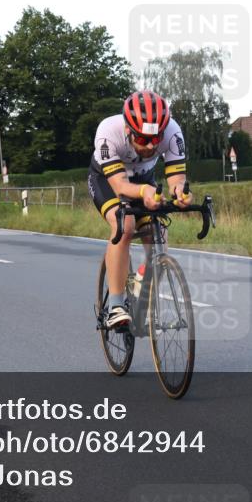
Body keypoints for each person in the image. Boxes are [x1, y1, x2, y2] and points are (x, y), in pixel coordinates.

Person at [87, 90, 189, 328]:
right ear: (128, 130)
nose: (151, 146)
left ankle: (141, 280)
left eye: (156, 139)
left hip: (144, 179)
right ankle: (115, 305)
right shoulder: (108, 131)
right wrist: (144, 192)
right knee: (125, 226)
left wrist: (180, 194)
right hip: (107, 180)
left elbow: (176, 179)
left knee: (159, 235)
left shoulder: (173, 131)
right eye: (143, 139)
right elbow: (120, 186)